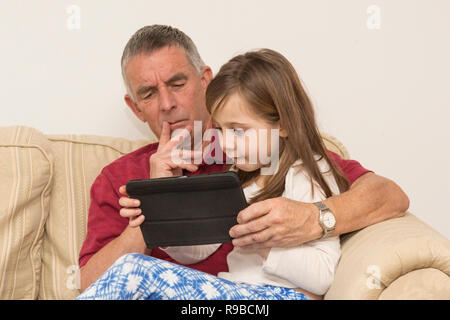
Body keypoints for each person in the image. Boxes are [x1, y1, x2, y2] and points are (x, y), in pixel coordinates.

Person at [78, 25, 410, 294]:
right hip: (217, 289)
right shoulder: (118, 178)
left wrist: (312, 218)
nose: (167, 103)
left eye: (178, 83)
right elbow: (93, 287)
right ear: (135, 107)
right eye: (148, 94)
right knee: (135, 272)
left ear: (205, 80)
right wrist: (156, 206)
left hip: (254, 294)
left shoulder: (265, 152)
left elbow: (390, 197)